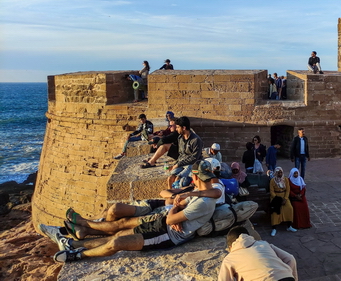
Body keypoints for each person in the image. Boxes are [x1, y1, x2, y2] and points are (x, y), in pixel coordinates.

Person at [47, 163, 220, 263]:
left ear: (196, 177)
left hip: (168, 235)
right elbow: (185, 202)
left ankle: (77, 255)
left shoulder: (203, 202)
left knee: (118, 243)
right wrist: (186, 197)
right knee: (120, 231)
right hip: (163, 224)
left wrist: (175, 210)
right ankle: (73, 244)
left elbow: (171, 219)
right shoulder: (204, 192)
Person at [218, 226, 298, 281]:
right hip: (287, 278)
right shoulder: (264, 244)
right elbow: (290, 258)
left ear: (230, 247)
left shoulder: (230, 258)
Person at [168, 116, 204, 189]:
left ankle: (176, 195)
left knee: (178, 178)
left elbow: (194, 158)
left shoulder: (196, 140)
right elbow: (181, 154)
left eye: (178, 127)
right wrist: (175, 164)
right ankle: (169, 195)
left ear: (184, 128)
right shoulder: (180, 138)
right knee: (170, 178)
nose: (176, 129)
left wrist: (178, 164)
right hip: (182, 162)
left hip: (192, 164)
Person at [269, 167, 297, 236]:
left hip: (284, 196)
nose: (280, 174)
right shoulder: (272, 181)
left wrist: (285, 198)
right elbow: (271, 191)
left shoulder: (285, 180)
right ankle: (274, 228)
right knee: (275, 211)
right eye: (278, 173)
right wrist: (277, 199)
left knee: (289, 208)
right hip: (276, 197)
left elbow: (288, 190)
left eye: (281, 172)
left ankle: (289, 226)